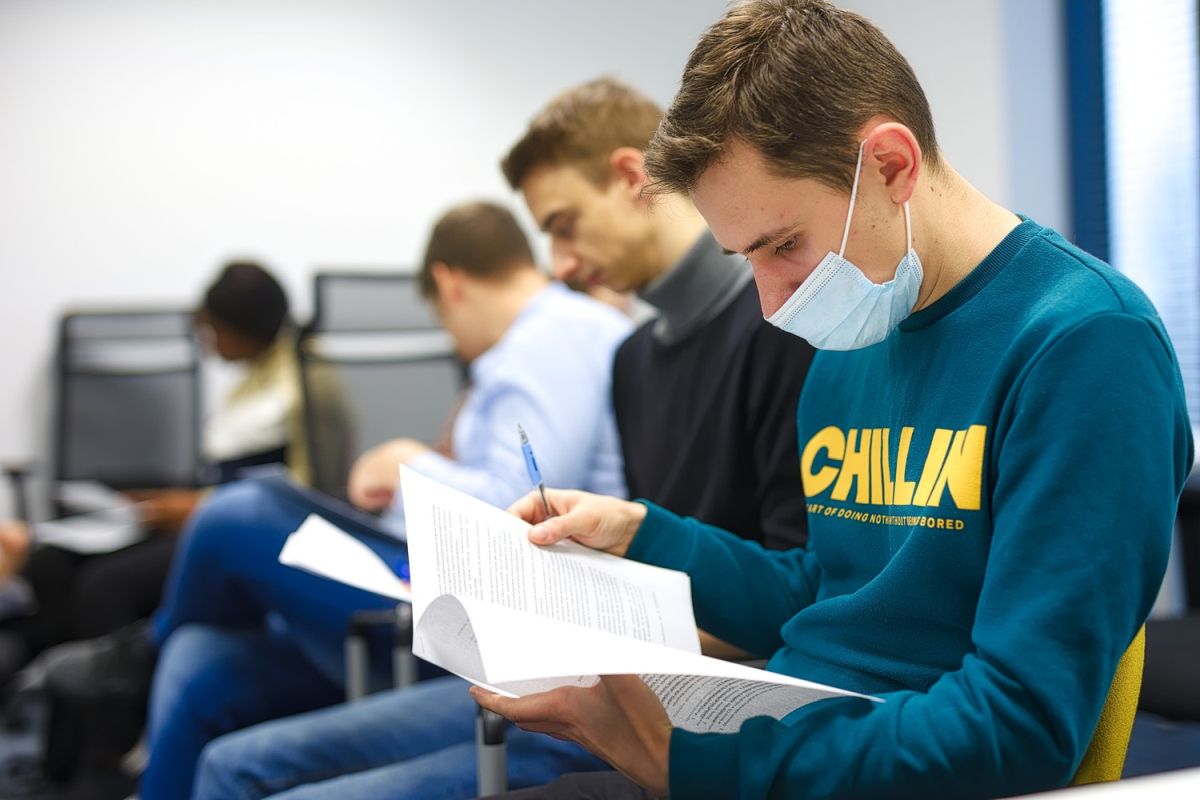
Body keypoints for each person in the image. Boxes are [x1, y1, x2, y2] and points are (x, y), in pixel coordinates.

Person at [471, 2, 1193, 799]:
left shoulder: (1087, 346)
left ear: (890, 165)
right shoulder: (862, 321)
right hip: (794, 742)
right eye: (746, 257)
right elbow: (831, 587)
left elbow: (1019, 724)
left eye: (784, 245)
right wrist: (645, 534)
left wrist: (703, 767)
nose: (773, 304)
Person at [188, 78, 817, 800]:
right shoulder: (633, 360)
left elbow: (795, 594)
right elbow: (649, 565)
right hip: (592, 668)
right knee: (229, 765)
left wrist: (601, 642)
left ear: (627, 178)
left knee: (244, 526)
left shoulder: (781, 335)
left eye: (565, 224)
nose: (561, 265)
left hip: (674, 699)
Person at [45, 200, 632, 800]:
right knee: (200, 661)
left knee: (238, 513)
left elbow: (520, 512)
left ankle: (141, 656)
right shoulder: (534, 345)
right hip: (451, 585)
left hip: (489, 605)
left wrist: (407, 465)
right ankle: (156, 660)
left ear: (447, 283)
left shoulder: (549, 339)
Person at [0, 262, 320, 686]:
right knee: (50, 566)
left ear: (243, 328)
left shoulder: (307, 385)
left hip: (237, 526)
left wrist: (196, 506)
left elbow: (297, 493)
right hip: (209, 509)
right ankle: (61, 720)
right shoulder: (256, 380)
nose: (209, 344)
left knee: (105, 587)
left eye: (214, 331)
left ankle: (121, 736)